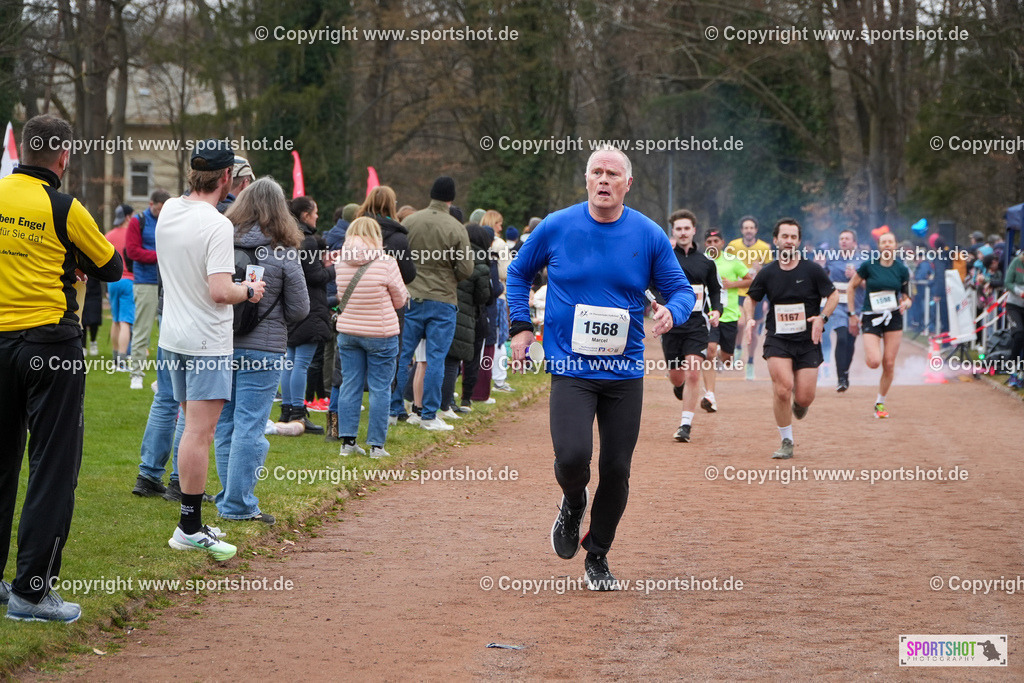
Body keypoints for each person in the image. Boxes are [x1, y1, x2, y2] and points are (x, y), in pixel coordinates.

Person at [507, 147, 694, 591]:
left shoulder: (647, 235)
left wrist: (673, 313)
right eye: (596, 172)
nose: (604, 180)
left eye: (613, 174)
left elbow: (680, 290)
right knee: (573, 457)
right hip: (571, 367)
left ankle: (599, 555)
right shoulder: (557, 226)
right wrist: (520, 327)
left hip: (624, 373)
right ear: (587, 179)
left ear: (627, 183)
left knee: (617, 470)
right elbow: (517, 274)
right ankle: (573, 503)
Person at [0, 115, 123, 622]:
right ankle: (31, 592)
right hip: (50, 342)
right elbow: (112, 265)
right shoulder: (64, 206)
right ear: (63, 157)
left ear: (23, 151)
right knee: (52, 465)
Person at [158, 138, 265, 561]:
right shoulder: (218, 224)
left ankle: (191, 522)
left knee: (191, 430)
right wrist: (250, 289)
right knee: (201, 434)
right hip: (206, 340)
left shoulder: (169, 208)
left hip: (174, 337)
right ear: (226, 178)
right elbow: (221, 291)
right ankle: (188, 526)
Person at [213, 177, 309, 525]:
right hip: (264, 350)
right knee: (250, 427)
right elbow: (300, 309)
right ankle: (238, 504)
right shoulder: (284, 252)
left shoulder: (222, 241)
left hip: (223, 346)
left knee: (225, 424)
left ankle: (229, 496)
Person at [743, 218, 837, 459]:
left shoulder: (812, 270)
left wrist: (822, 318)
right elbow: (751, 298)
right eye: (785, 236)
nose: (789, 241)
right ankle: (786, 440)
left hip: (807, 341)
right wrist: (750, 319)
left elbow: (834, 295)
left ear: (799, 241)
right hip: (778, 339)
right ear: (776, 240)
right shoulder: (768, 272)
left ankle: (800, 404)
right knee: (783, 389)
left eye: (793, 237)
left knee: (805, 396)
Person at [389, 176, 474, 431]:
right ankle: (428, 415)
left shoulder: (410, 221)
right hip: (443, 299)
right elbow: (466, 268)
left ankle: (393, 410)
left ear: (432, 194)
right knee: (436, 358)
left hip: (412, 297)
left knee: (402, 356)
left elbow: (398, 255)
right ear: (451, 198)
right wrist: (450, 278)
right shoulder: (456, 227)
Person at [334, 217, 409, 457]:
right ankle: (376, 445)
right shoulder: (386, 262)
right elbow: (400, 299)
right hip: (381, 332)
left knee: (350, 385)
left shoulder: (340, 261)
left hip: (348, 331)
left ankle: (347, 443)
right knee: (380, 388)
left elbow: (340, 295)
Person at [657, 210, 721, 443]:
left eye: (687, 228)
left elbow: (714, 289)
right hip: (672, 324)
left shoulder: (705, 262)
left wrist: (717, 310)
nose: (683, 232)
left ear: (694, 230)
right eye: (678, 229)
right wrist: (660, 305)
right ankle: (679, 386)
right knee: (677, 377)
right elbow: (653, 286)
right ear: (672, 232)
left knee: (694, 370)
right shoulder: (664, 258)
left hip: (697, 324)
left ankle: (685, 425)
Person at [279, 196, 334, 434]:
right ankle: (299, 413)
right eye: (315, 212)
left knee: (290, 362)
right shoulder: (308, 242)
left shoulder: (285, 237)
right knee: (300, 363)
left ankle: (287, 409)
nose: (317, 216)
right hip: (310, 308)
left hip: (290, 306)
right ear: (305, 215)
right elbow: (315, 277)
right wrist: (333, 269)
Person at [846, 231, 911, 418]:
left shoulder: (901, 269)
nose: (888, 245)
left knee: (889, 363)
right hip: (871, 316)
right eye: (884, 242)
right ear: (879, 246)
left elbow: (907, 297)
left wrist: (906, 303)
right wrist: (852, 313)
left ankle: (880, 403)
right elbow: (851, 286)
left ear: (895, 245)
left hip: (893, 317)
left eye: (891, 242)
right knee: (875, 362)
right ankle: (868, 353)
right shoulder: (869, 265)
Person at [699, 229, 751, 412]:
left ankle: (723, 357)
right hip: (709, 314)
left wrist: (732, 284)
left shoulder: (732, 261)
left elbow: (750, 280)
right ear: (706, 244)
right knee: (710, 351)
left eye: (716, 240)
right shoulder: (702, 262)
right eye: (709, 241)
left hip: (729, 315)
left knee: (727, 359)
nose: (713, 244)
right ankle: (710, 395)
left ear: (722, 243)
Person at [126, 189, 171, 389]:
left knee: (168, 333)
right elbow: (133, 251)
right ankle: (136, 373)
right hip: (146, 282)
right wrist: (161, 255)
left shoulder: (169, 221)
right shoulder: (138, 221)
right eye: (159, 209)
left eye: (164, 210)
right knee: (142, 329)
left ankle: (165, 379)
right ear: (151, 203)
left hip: (168, 282)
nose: (161, 213)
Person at [729, 215, 773, 380]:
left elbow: (770, 273)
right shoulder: (733, 246)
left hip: (757, 294)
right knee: (740, 323)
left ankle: (751, 362)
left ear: (756, 230)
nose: (748, 230)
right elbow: (727, 266)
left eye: (751, 228)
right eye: (745, 228)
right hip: (738, 293)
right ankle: (738, 348)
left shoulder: (764, 247)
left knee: (753, 330)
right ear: (742, 230)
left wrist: (761, 269)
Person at [823, 229, 864, 392]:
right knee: (841, 338)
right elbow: (823, 277)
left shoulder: (863, 260)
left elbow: (869, 284)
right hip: (838, 304)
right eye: (841, 238)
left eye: (847, 238)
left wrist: (856, 276)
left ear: (855, 243)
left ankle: (845, 371)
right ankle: (840, 378)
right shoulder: (831, 259)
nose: (844, 241)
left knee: (850, 340)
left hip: (857, 305)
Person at [105, 204, 136, 369]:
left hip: (112, 282)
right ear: (128, 217)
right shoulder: (132, 234)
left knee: (115, 320)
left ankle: (115, 358)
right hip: (129, 280)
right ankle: (122, 361)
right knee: (126, 321)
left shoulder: (108, 235)